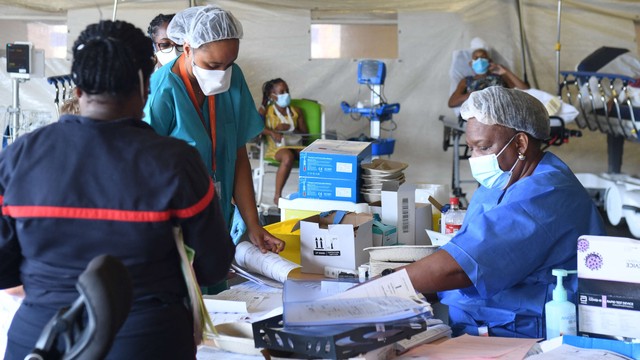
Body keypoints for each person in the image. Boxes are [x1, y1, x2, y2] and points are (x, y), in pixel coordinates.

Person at [0, 20, 234, 359]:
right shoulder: (175, 162)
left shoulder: (19, 155)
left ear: (77, 90)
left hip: (40, 341)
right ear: (145, 87)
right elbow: (214, 264)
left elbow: (4, 269)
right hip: (147, 340)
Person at [404, 86, 606, 338]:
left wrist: (384, 287)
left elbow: (460, 267)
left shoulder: (546, 192)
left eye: (484, 147)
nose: (475, 158)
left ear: (520, 143)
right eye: (471, 148)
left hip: (525, 331)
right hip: (480, 319)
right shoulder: (501, 181)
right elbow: (465, 248)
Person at [144, 5, 284, 255]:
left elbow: (238, 154)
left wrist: (253, 224)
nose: (221, 75)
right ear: (187, 49)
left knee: (220, 291)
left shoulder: (233, 80)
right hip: (175, 225)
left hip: (218, 217)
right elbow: (144, 173)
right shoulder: (160, 91)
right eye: (213, 64)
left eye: (229, 63)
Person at [259, 78, 308, 205]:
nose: (286, 94)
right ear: (272, 95)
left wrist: (291, 128)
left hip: (295, 144)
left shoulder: (296, 111)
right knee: (287, 156)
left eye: (287, 91)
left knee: (309, 156)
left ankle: (308, 194)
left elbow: (306, 134)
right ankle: (277, 196)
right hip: (276, 148)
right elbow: (257, 128)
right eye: (282, 92)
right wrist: (273, 132)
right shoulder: (267, 111)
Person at [448, 44, 529, 108]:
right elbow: (451, 103)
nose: (479, 60)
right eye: (476, 58)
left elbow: (525, 89)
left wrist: (505, 71)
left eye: (483, 57)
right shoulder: (466, 81)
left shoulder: (500, 77)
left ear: (489, 61)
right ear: (471, 63)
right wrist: (471, 95)